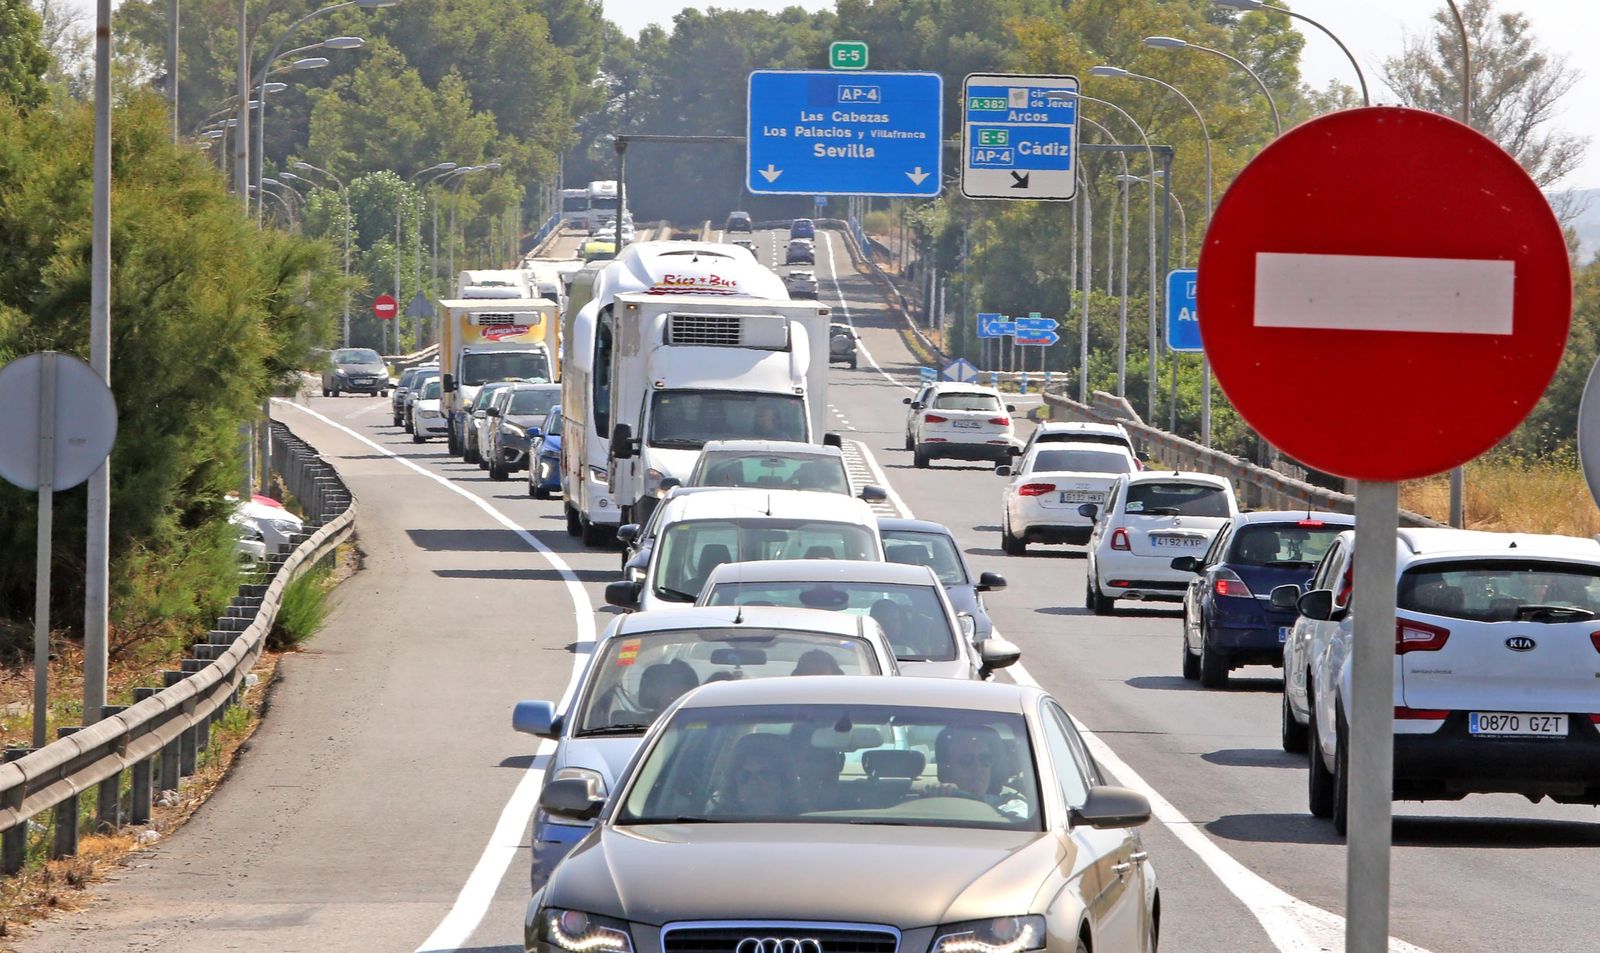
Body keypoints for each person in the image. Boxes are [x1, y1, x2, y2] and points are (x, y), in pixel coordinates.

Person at [923, 725, 1030, 820]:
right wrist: (934, 801)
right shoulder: (929, 805)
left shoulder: (1012, 805)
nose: (978, 768)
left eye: (985, 759)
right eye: (966, 761)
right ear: (947, 769)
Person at [719, 733, 796, 817]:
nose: (754, 783)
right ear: (733, 785)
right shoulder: (714, 825)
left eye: (765, 775)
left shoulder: (806, 822)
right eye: (745, 776)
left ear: (783, 781)